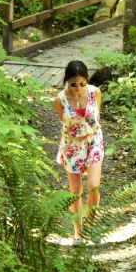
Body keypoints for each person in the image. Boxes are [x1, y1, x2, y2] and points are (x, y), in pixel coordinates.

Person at [53, 60, 104, 240]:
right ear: (66, 81)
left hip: (93, 142)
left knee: (94, 186)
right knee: (75, 191)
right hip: (72, 146)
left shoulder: (95, 93)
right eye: (73, 84)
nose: (78, 88)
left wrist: (88, 130)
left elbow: (96, 117)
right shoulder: (60, 100)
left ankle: (90, 225)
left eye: (82, 84)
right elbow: (64, 123)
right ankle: (78, 231)